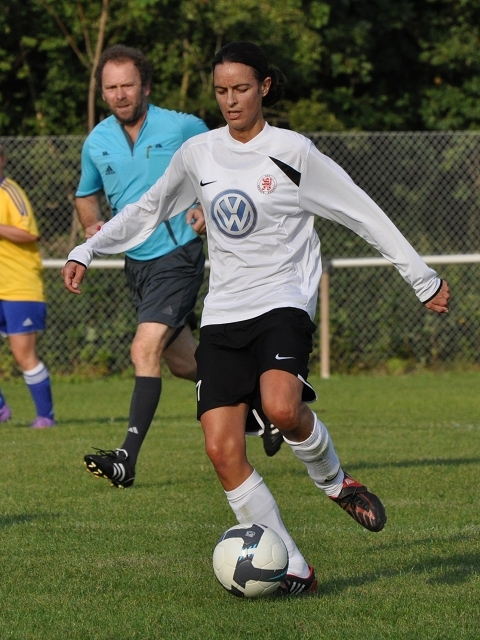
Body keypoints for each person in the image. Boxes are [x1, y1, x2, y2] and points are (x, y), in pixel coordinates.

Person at [63, 41, 450, 595]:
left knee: (282, 408)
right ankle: (293, 567)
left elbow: (362, 211)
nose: (230, 101)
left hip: (283, 301)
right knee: (221, 450)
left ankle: (337, 483)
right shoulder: (198, 152)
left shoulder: (293, 151)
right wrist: (88, 248)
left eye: (241, 89)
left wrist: (421, 277)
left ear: (264, 87)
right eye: (221, 91)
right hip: (223, 312)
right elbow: (149, 208)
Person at [76, 45, 283, 491]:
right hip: (137, 264)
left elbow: (231, 157)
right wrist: (91, 223)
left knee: (143, 349)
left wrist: (209, 208)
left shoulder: (184, 126)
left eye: (127, 84)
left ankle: (126, 458)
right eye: (111, 87)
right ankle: (259, 404)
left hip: (179, 254)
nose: (120, 94)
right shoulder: (96, 142)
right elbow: (85, 194)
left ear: (145, 86)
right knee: (183, 361)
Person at [0, 144, 55, 428]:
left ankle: (46, 416)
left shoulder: (11, 192)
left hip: (19, 287)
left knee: (23, 355)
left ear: (3, 159)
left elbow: (28, 232)